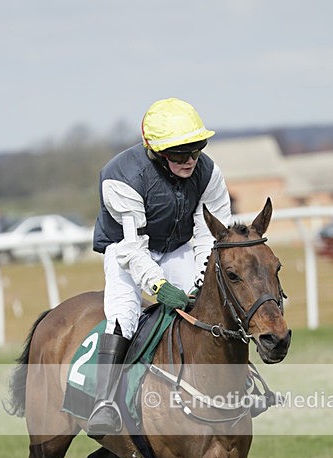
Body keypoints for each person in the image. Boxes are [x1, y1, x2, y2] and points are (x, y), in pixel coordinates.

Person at [88, 97, 232, 436]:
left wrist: (201, 280)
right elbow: (133, 250)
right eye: (180, 154)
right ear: (156, 152)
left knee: (208, 307)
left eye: (196, 150)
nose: (190, 161)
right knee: (124, 313)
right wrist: (158, 288)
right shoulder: (122, 178)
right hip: (127, 250)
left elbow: (210, 236)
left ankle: (231, 389)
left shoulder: (209, 173)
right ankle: (103, 402)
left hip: (178, 245)